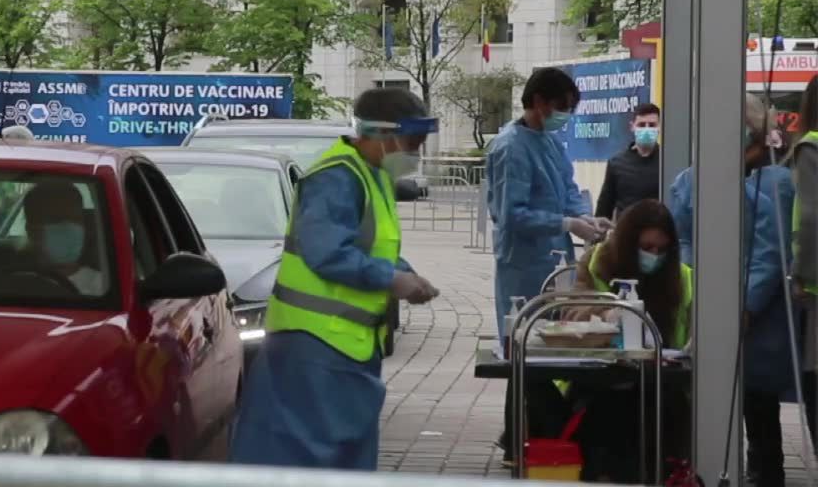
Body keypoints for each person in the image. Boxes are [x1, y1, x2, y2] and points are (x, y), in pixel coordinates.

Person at [229, 87, 439, 470]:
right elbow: (326, 252)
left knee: (340, 457)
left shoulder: (372, 175)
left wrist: (405, 273)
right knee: (310, 459)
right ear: (381, 133)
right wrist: (392, 280)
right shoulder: (336, 178)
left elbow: (372, 246)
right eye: (412, 142)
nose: (416, 153)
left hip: (344, 346)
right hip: (313, 345)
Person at [668, 92, 795, 487]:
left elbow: (770, 254)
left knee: (758, 403)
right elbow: (680, 236)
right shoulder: (691, 178)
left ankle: (765, 473)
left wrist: (745, 305)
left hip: (757, 314)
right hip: (701, 303)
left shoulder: (776, 181)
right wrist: (691, 284)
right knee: (701, 395)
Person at [486, 67, 606, 462]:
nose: (565, 116)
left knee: (548, 351)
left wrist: (586, 219)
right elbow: (512, 215)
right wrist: (565, 224)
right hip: (523, 264)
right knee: (524, 350)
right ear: (538, 102)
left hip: (554, 261)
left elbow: (567, 189)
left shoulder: (550, 142)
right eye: (562, 107)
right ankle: (522, 438)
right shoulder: (511, 148)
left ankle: (522, 436)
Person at [565, 200, 693, 483]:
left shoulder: (681, 277)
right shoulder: (598, 263)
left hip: (662, 383)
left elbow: (694, 327)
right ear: (628, 242)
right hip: (602, 381)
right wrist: (606, 316)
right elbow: (572, 311)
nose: (654, 256)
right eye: (647, 247)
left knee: (663, 413)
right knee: (612, 414)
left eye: (661, 250)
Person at [790, 75, 818, 448]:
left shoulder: (811, 147)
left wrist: (800, 273)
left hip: (817, 283)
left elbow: (811, 217)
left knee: (814, 377)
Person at [23, 180, 104, 295]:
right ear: (32, 230)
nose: (69, 227)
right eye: (57, 219)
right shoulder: (16, 284)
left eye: (75, 219)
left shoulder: (104, 286)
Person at [595, 103, 662, 220]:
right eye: (641, 125)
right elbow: (604, 208)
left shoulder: (666, 162)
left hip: (658, 228)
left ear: (659, 127)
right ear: (632, 127)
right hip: (626, 229)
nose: (646, 129)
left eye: (652, 125)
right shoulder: (616, 163)